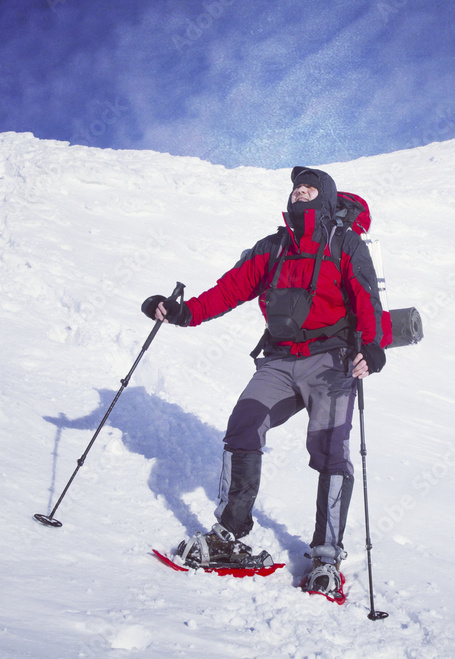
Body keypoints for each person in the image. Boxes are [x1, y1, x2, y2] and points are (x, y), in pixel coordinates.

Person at [145, 166, 386, 595]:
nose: (300, 193)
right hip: (279, 359)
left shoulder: (345, 244)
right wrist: (182, 312)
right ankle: (229, 534)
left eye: (309, 188)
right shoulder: (273, 247)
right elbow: (228, 290)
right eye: (296, 188)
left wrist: (372, 347)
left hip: (332, 361)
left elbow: (367, 297)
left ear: (325, 197)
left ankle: (326, 558)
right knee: (244, 423)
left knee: (330, 449)